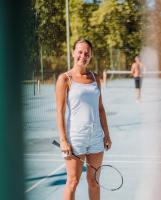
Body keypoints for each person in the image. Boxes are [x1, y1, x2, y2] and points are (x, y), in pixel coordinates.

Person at [56, 38, 112, 200]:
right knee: (73, 182)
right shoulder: (65, 79)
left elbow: (100, 109)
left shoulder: (95, 78)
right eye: (80, 52)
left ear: (91, 56)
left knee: (94, 182)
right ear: (74, 53)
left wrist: (106, 135)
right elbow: (60, 112)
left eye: (87, 53)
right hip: (75, 137)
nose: (83, 55)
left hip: (95, 137)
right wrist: (63, 140)